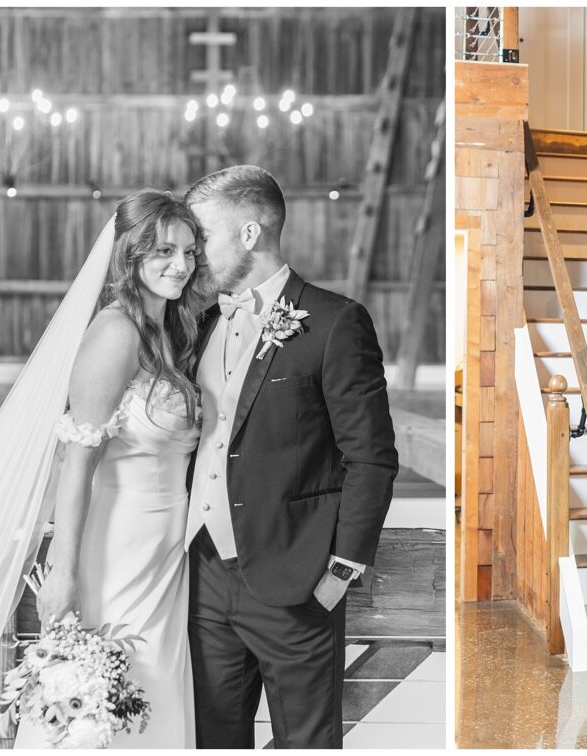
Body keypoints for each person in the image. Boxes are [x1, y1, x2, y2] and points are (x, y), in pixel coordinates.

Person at [183, 165, 398, 749]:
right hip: (202, 574)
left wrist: (341, 569)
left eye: (203, 236)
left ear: (249, 234)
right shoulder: (203, 324)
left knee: (305, 743)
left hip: (297, 581)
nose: (193, 253)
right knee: (214, 739)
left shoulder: (335, 322)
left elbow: (371, 457)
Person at [13, 191, 201, 747]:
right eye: (163, 251)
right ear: (129, 255)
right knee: (111, 699)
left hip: (166, 552)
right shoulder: (114, 333)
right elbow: (77, 456)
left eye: (190, 252)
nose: (181, 265)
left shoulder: (170, 332)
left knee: (157, 692)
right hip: (116, 554)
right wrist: (64, 571)